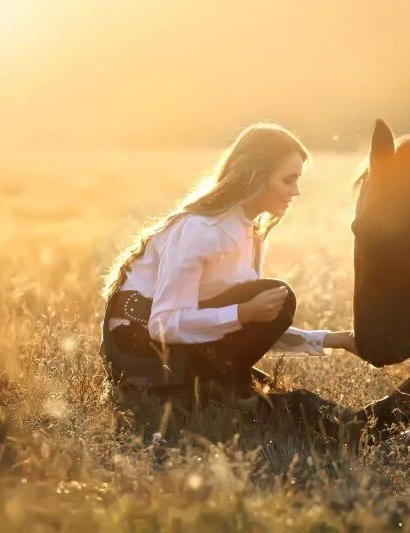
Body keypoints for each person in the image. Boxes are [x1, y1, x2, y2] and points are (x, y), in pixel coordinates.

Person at [99, 122, 356, 401]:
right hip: (141, 359)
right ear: (256, 176)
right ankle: (223, 392)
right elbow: (163, 324)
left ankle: (230, 392)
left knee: (285, 400)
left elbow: (256, 327)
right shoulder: (200, 229)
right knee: (283, 399)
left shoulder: (251, 235)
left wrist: (337, 340)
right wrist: (244, 312)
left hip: (182, 352)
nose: (296, 191)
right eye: (288, 180)